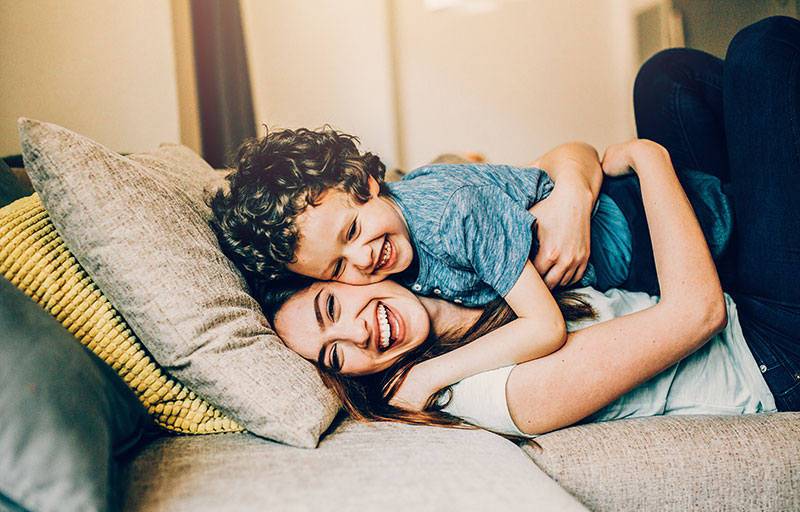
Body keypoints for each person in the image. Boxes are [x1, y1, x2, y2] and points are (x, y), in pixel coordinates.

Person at [255, 16, 800, 433]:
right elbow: (696, 312)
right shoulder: (473, 384)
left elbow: (560, 161)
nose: (358, 331)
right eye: (334, 355)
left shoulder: (426, 250)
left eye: (332, 305)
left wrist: (571, 196)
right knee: (764, 48)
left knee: (668, 76)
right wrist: (647, 157)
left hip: (687, 258)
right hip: (764, 343)